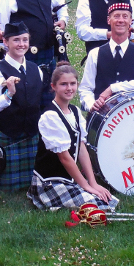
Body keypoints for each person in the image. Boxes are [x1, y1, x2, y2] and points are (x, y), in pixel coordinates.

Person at [28, 62, 118, 211]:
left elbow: (81, 148)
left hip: (68, 178)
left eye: (72, 83)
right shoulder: (50, 116)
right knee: (101, 205)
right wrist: (85, 186)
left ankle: (82, 189)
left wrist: (93, 183)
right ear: (53, 87)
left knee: (110, 200)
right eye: (63, 84)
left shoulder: (75, 112)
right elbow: (64, 157)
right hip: (50, 181)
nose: (69, 88)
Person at [0, 0, 68, 107]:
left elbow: (61, 5)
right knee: (28, 96)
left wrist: (62, 20)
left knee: (49, 94)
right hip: (24, 54)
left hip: (49, 51)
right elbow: (3, 25)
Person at [0, 21, 44, 190]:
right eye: (16, 40)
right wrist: (8, 95)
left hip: (32, 137)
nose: (21, 44)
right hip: (7, 137)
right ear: (5, 42)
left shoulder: (36, 69)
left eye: (25, 40)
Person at [79, 0, 134, 112]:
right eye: (116, 16)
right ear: (109, 20)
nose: (121, 20)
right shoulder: (95, 54)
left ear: (131, 21)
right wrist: (91, 104)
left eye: (125, 16)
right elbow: (85, 88)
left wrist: (113, 88)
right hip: (102, 118)